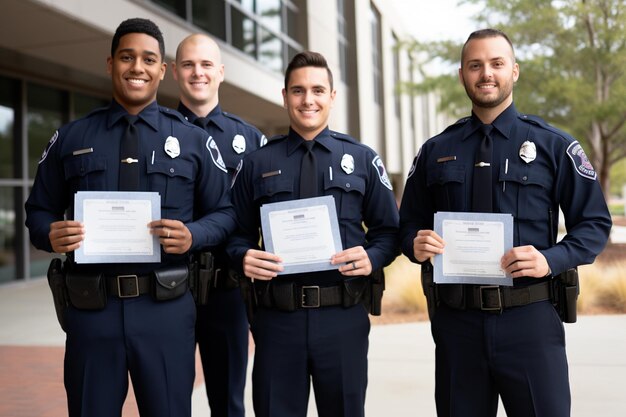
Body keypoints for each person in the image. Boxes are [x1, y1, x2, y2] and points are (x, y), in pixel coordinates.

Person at [25, 18, 236, 417]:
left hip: (165, 312)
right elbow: (38, 210)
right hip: (92, 312)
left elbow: (226, 212)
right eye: (127, 57)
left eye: (148, 59)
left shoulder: (193, 140)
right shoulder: (73, 137)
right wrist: (48, 234)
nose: (137, 67)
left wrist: (194, 234)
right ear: (110, 64)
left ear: (161, 70)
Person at [399, 28, 612, 417]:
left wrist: (552, 259)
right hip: (457, 326)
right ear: (462, 74)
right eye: (475, 65)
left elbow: (594, 223)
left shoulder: (553, 145)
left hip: (529, 320)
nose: (486, 74)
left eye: (496, 64)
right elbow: (407, 224)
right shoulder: (436, 150)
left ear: (514, 71)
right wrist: (415, 244)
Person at [226, 51, 399, 417]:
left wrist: (372, 257)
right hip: (276, 320)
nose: (308, 100)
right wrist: (242, 256)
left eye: (318, 90)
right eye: (299, 90)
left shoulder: (363, 159)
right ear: (285, 95)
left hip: (342, 315)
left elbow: (389, 232)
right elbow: (233, 233)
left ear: (332, 96)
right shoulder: (257, 162)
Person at [171, 33, 266, 417]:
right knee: (168, 397)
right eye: (189, 64)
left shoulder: (251, 139)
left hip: (228, 292)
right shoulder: (158, 131)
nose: (198, 73)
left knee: (228, 402)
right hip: (168, 289)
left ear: (221, 72)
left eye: (207, 64)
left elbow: (266, 211)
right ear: (175, 72)